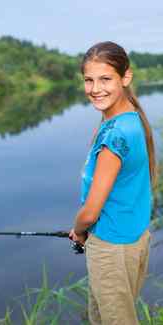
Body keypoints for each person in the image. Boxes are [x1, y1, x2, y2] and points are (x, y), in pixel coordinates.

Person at [69, 41, 157, 325]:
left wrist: (79, 229)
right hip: (134, 238)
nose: (96, 89)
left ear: (125, 77)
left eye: (105, 79)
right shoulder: (131, 116)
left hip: (111, 247)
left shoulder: (114, 139)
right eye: (89, 80)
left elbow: (92, 212)